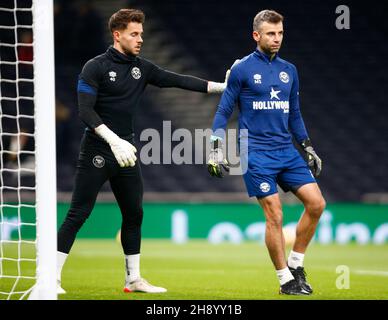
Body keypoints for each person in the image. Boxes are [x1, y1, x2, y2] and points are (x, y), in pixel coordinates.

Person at [56, 8, 231, 294]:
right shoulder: (95, 67)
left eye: (141, 34)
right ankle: (52, 277)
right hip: (98, 150)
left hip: (127, 152)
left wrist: (220, 87)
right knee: (78, 213)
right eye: (134, 34)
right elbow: (85, 112)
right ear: (117, 35)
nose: (140, 39)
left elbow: (177, 79)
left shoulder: (142, 68)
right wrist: (113, 140)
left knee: (134, 214)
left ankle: (133, 279)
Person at [207, 10, 325, 295]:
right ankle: (285, 280)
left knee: (317, 204)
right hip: (255, 151)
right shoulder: (242, 69)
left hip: (285, 149)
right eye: (271, 33)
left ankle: (296, 264)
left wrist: (307, 146)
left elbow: (294, 113)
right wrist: (215, 148)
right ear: (256, 35)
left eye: (280, 33)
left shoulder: (290, 70)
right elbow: (224, 110)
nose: (277, 39)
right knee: (275, 214)